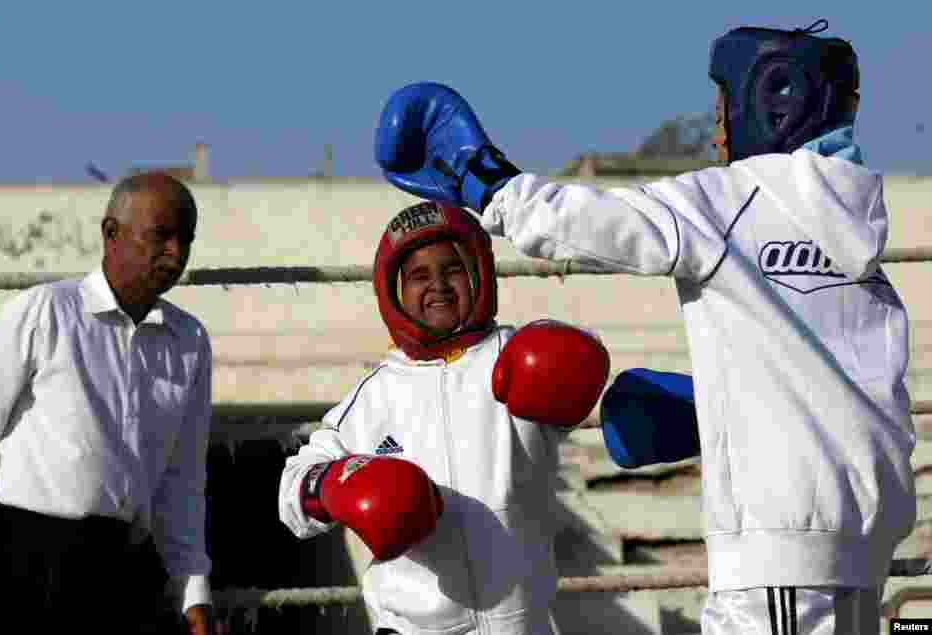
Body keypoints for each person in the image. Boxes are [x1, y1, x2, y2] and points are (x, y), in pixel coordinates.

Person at [374, 20, 916, 635]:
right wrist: (719, 410)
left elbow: (600, 223)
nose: (716, 129)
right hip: (856, 552)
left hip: (779, 560)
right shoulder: (857, 240)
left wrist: (484, 179)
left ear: (772, 99)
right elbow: (860, 392)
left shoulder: (734, 199)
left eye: (721, 105)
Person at [278, 200, 611, 635]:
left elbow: (586, 371)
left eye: (452, 269)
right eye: (418, 275)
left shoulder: (517, 356)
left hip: (522, 623)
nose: (437, 285)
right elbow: (293, 491)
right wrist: (334, 486)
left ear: (479, 275)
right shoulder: (374, 396)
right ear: (393, 292)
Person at [0, 172, 217, 634]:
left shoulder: (190, 341)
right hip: (16, 561)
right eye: (161, 236)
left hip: (120, 569)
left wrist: (192, 588)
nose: (175, 254)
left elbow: (182, 481)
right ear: (111, 233)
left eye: (186, 240)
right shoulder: (45, 312)